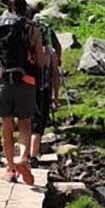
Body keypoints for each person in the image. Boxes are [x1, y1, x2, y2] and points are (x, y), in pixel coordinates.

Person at [0, 0, 46, 184]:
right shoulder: (32, 28)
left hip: (3, 81)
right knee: (25, 123)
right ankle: (23, 159)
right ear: (25, 9)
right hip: (26, 81)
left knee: (6, 128)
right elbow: (40, 61)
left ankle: (10, 168)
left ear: (8, 8)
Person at [29, 8, 62, 162]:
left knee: (26, 122)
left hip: (26, 89)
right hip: (43, 90)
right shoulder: (50, 52)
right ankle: (33, 156)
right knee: (38, 124)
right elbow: (55, 75)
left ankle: (23, 153)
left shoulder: (28, 51)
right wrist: (56, 96)